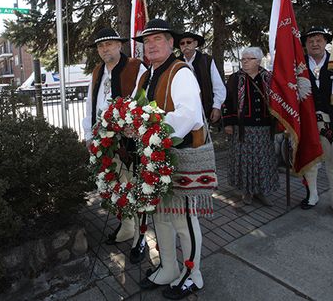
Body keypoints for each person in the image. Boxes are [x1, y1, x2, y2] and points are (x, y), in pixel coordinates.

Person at [133, 18, 206, 300]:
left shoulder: (181, 71)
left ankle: (193, 274)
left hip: (179, 157)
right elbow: (136, 109)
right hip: (153, 157)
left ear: (171, 43)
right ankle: (168, 267)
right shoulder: (145, 76)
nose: (151, 45)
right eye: (146, 41)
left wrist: (148, 126)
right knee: (161, 217)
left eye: (157, 40)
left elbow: (189, 116)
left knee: (183, 220)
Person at [82, 27, 147, 250]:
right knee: (116, 186)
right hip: (104, 142)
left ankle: (141, 237)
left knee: (134, 187)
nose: (104, 49)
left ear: (120, 45)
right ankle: (127, 226)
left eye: (109, 44)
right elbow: (90, 103)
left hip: (128, 141)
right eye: (100, 46)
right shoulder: (97, 71)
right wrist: (89, 134)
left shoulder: (135, 67)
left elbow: (144, 101)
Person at [300, 27, 333, 218]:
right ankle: (312, 195)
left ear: (326, 42)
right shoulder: (299, 66)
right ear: (305, 45)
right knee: (310, 161)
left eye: (319, 40)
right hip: (308, 123)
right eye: (310, 41)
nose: (315, 44)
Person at [222, 47, 279, 206]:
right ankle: (246, 192)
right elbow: (227, 102)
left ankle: (261, 191)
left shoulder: (268, 78)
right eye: (243, 59)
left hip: (264, 128)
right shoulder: (235, 78)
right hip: (242, 129)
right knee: (245, 161)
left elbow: (277, 101)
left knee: (262, 160)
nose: (245, 62)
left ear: (258, 61)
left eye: (249, 59)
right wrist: (228, 122)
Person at [177, 31, 226, 124]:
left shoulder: (206, 60)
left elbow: (218, 86)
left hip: (204, 110)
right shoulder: (176, 63)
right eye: (182, 43)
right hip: (183, 112)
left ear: (195, 43)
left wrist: (216, 107)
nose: (185, 45)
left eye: (188, 42)